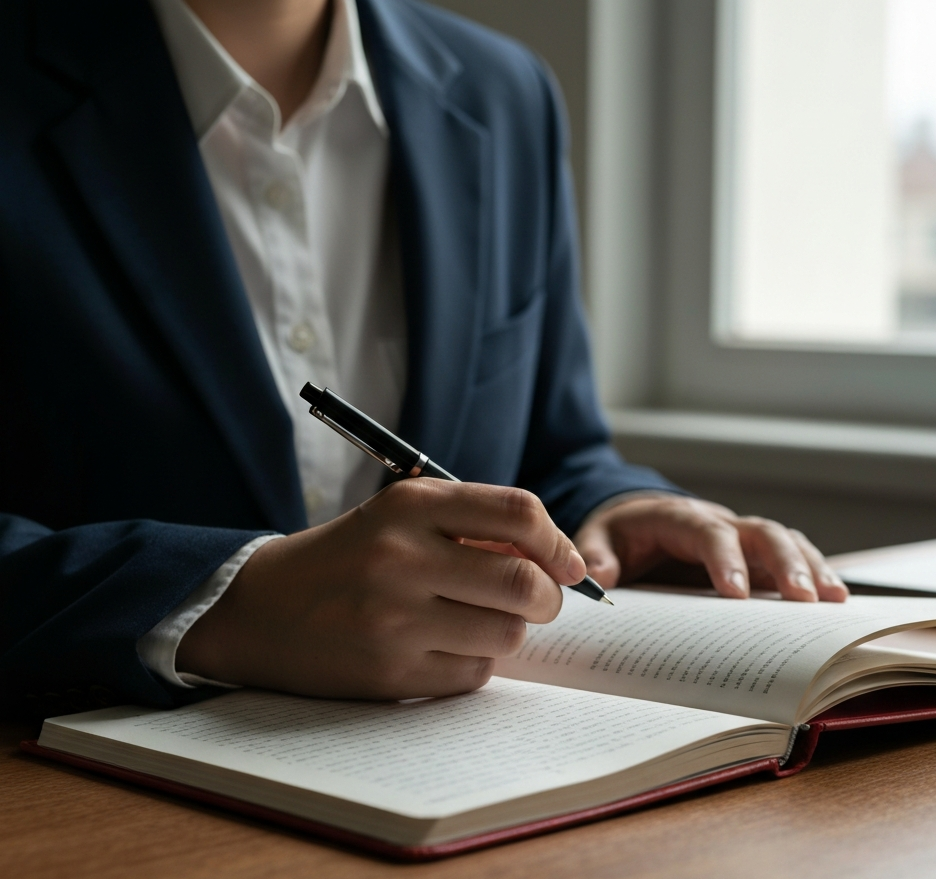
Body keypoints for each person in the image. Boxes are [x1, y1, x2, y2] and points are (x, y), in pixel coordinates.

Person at [0, 0, 847, 719]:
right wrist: (227, 601)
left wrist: (616, 503)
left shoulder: (505, 93)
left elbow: (555, 448)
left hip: (452, 796)